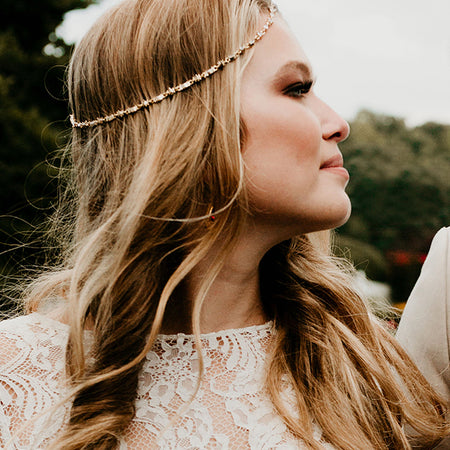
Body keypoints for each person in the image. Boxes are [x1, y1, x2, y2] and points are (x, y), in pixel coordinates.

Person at [0, 0, 447, 448]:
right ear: (192, 123)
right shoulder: (13, 379)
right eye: (296, 88)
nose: (337, 124)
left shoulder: (370, 374)